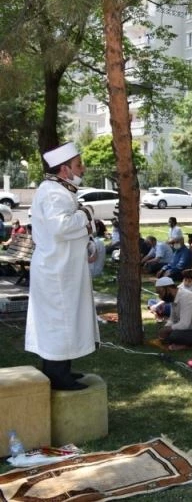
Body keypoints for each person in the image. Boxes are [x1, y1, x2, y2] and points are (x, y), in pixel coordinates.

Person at [26, 142, 98, 391]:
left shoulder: (61, 190)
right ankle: (57, 376)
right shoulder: (52, 193)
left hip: (64, 267)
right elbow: (61, 228)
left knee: (67, 320)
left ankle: (62, 369)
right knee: (59, 321)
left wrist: (87, 243)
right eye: (79, 165)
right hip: (55, 271)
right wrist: (87, 214)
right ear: (64, 169)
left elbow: (70, 230)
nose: (83, 168)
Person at [154, 277, 192, 350]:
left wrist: (167, 330)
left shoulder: (186, 297)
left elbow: (184, 324)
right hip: (190, 330)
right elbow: (172, 319)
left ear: (168, 289)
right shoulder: (174, 297)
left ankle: (185, 345)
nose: (160, 296)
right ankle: (180, 343)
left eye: (160, 292)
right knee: (166, 333)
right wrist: (165, 328)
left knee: (175, 336)